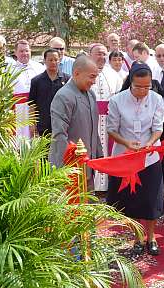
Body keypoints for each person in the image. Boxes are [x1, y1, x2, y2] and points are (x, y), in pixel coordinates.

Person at [106, 62, 164, 256]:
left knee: (150, 199)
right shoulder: (117, 101)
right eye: (138, 87)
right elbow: (112, 129)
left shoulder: (156, 99)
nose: (143, 91)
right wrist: (127, 143)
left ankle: (152, 236)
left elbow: (158, 127)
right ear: (131, 82)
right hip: (125, 156)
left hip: (149, 156)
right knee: (130, 200)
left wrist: (150, 142)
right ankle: (137, 237)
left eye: (147, 87)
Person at [49, 56, 103, 189]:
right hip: (70, 167)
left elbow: (93, 129)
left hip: (88, 164)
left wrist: (99, 156)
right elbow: (59, 135)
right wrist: (66, 168)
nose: (94, 82)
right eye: (91, 77)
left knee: (87, 205)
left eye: (95, 77)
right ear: (76, 73)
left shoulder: (91, 94)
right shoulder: (63, 96)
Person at [89, 43, 123, 192]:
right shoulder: (85, 72)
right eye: (98, 54)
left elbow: (119, 98)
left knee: (110, 151)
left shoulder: (114, 74)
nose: (101, 57)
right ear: (90, 55)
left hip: (110, 120)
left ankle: (109, 186)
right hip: (91, 119)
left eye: (104, 54)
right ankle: (92, 185)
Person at [29, 48, 70, 136]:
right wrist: (32, 124)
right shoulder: (36, 81)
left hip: (63, 123)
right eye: (50, 60)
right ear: (44, 61)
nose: (53, 62)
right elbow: (32, 105)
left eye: (56, 60)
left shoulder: (67, 79)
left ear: (59, 61)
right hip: (43, 124)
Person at [10, 39, 45, 138]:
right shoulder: (9, 69)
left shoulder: (40, 67)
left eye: (27, 51)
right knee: (21, 140)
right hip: (19, 109)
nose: (24, 53)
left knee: (37, 138)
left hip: (37, 108)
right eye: (21, 51)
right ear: (15, 53)